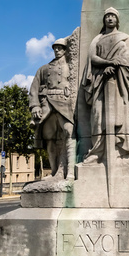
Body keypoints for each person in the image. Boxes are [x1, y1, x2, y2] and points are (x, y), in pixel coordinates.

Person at [82, 7, 129, 170]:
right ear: (104, 20)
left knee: (120, 117)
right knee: (99, 118)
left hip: (120, 84)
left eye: (113, 16)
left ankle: (124, 152)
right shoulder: (97, 39)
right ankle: (97, 152)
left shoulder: (126, 38)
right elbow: (92, 58)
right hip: (101, 82)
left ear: (117, 20)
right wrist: (107, 65)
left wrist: (117, 66)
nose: (110, 18)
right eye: (107, 16)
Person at [29, 39, 76, 180]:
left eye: (60, 48)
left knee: (69, 132)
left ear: (66, 50)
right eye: (55, 48)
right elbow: (34, 89)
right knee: (50, 139)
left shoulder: (72, 66)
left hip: (65, 103)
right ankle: (55, 172)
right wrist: (35, 106)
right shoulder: (44, 69)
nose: (57, 50)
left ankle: (71, 172)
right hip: (47, 104)